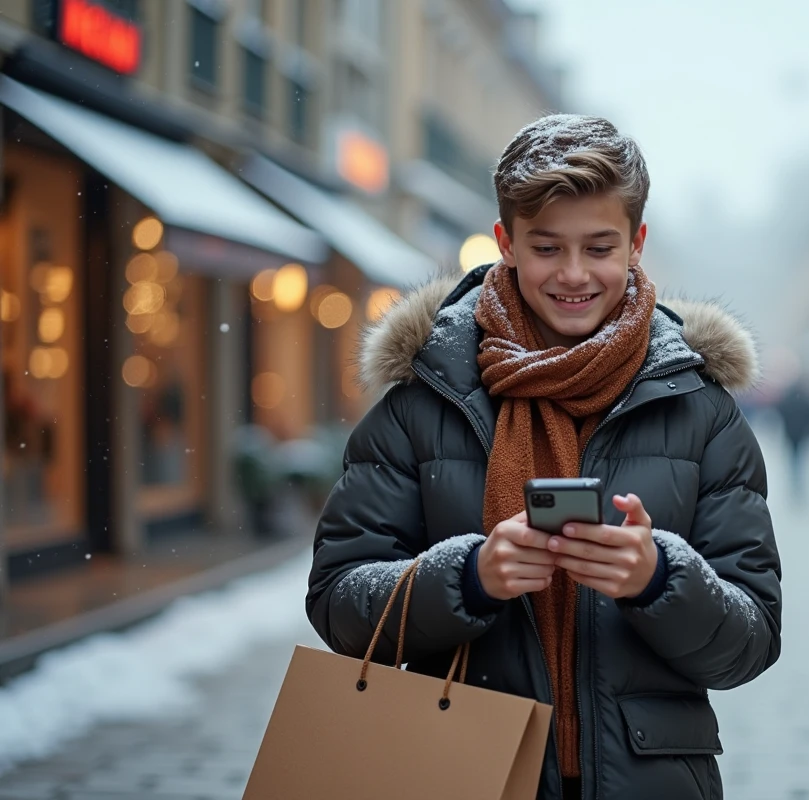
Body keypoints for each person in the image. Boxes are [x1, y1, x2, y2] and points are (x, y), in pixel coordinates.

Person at [306, 115, 783, 800]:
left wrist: (657, 576)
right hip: (463, 772)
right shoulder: (424, 399)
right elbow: (339, 608)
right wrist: (470, 576)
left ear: (636, 244)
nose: (573, 274)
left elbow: (751, 640)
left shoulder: (699, 409)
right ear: (506, 242)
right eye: (547, 247)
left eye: (599, 247)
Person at [776, 377, 809, 492]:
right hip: (802, 433)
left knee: (793, 456)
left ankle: (794, 478)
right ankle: (800, 479)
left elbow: (780, 412)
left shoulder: (787, 400)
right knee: (801, 456)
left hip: (790, 432)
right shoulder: (805, 399)